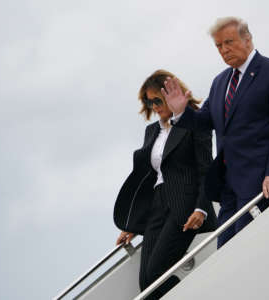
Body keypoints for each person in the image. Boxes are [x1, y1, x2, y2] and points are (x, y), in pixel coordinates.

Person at [162, 17, 269, 248]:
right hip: (230, 187)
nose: (224, 50)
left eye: (229, 42)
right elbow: (206, 121)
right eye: (219, 46)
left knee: (249, 251)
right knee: (226, 252)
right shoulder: (220, 81)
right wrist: (182, 113)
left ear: (247, 39)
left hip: (263, 182)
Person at [113, 69, 218, 299]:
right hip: (156, 208)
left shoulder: (193, 120)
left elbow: (205, 168)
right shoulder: (152, 132)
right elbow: (150, 179)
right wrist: (133, 224)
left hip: (185, 206)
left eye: (158, 100)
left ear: (171, 95)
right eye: (149, 102)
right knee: (146, 284)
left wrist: (201, 207)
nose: (155, 107)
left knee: (157, 273)